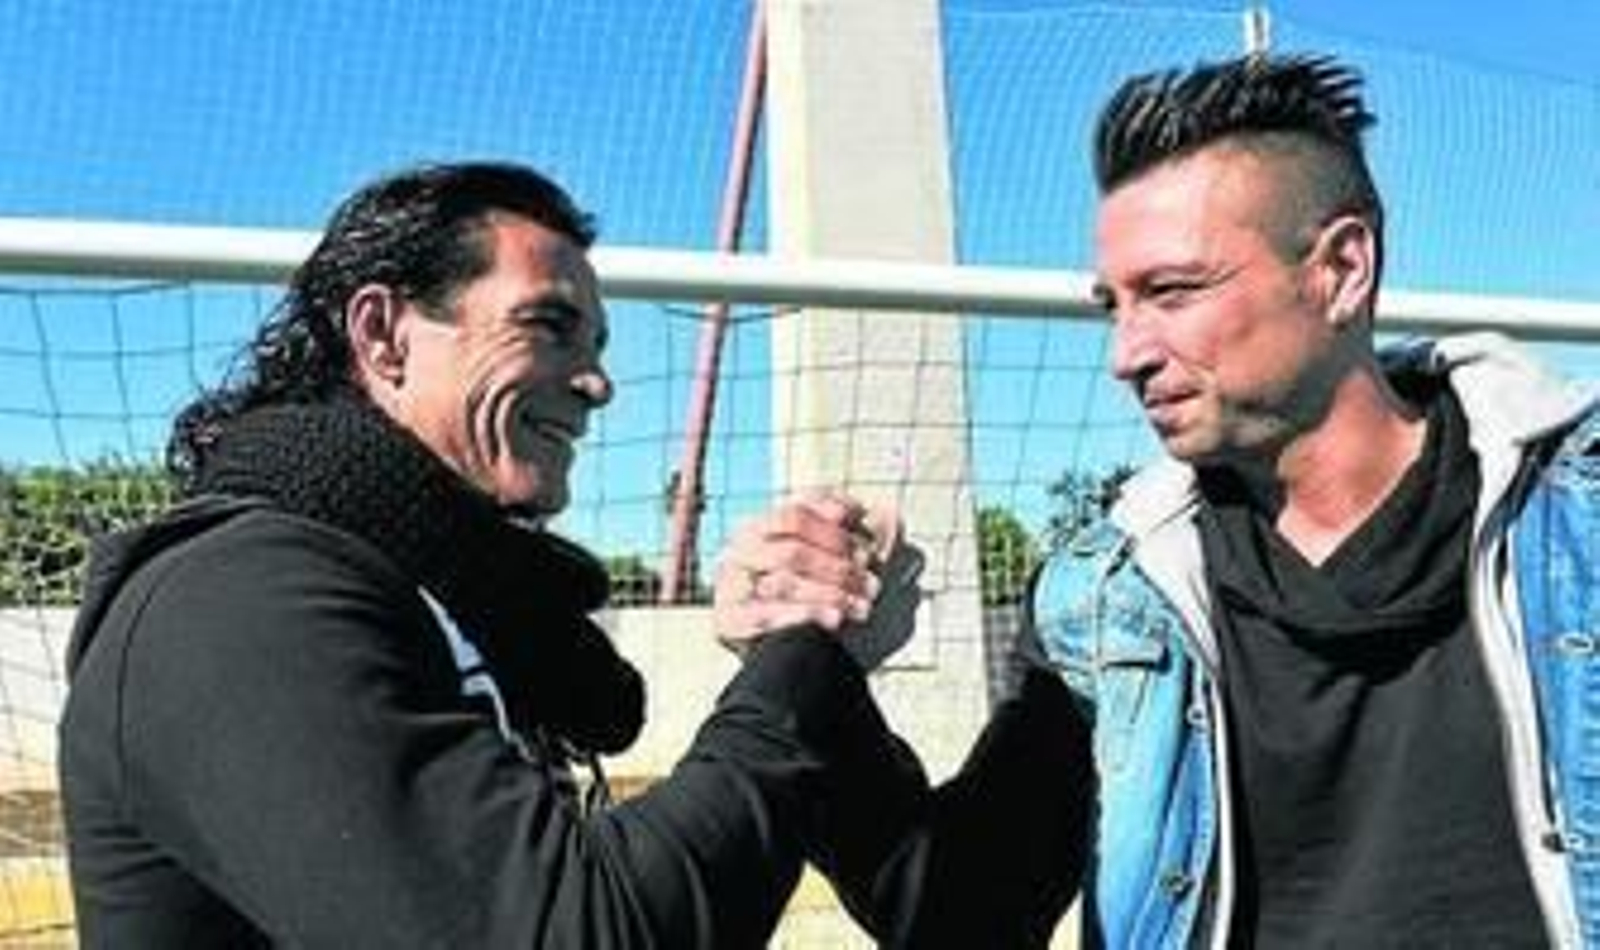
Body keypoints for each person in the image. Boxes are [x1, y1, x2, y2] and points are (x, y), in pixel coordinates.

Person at [722, 52, 1600, 947]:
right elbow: (958, 912)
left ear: (1341, 268)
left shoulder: (1579, 522)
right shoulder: (1108, 596)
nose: (1125, 354)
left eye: (1173, 292)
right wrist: (802, 671)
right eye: (1115, 305)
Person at [57, 160, 920, 948]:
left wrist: (1030, 673)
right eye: (549, 325)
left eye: (597, 349)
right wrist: (802, 660)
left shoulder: (462, 598)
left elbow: (957, 909)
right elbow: (582, 934)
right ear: (384, 335)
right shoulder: (237, 601)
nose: (596, 384)